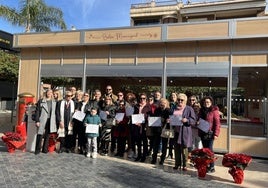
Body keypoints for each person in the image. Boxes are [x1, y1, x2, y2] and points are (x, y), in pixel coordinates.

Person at [172, 93, 196, 171]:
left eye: (182, 100)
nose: (180, 101)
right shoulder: (175, 108)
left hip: (184, 132)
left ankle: (184, 165)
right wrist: (170, 120)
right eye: (178, 100)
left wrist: (187, 120)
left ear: (185, 101)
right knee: (176, 149)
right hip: (176, 131)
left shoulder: (189, 109)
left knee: (184, 149)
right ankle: (177, 164)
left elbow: (193, 120)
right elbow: (172, 118)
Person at [199, 96, 221, 173]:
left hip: (210, 133)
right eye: (205, 102)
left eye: (208, 102)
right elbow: (199, 120)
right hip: (203, 133)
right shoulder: (201, 110)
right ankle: (206, 164)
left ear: (211, 103)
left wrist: (216, 134)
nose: (206, 103)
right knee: (205, 150)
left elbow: (217, 123)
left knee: (210, 150)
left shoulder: (214, 111)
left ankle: (212, 166)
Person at [34, 89, 57, 154]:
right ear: (46, 93)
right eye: (48, 92)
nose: (49, 93)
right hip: (42, 119)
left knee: (47, 135)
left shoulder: (54, 102)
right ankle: (37, 149)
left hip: (50, 120)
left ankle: (45, 149)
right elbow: (37, 111)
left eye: (51, 92)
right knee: (40, 134)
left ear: (52, 94)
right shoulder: (41, 101)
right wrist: (37, 120)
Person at [150, 98, 171, 165]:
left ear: (167, 104)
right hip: (157, 130)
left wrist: (165, 120)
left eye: (164, 103)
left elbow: (170, 120)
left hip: (165, 130)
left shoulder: (169, 111)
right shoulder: (157, 110)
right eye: (161, 103)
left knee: (164, 146)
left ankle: (162, 159)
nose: (162, 104)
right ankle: (154, 159)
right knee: (155, 145)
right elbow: (154, 118)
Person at [132, 93, 150, 162]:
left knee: (145, 142)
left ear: (146, 99)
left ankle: (144, 156)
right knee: (138, 142)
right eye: (141, 98)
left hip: (144, 127)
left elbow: (148, 116)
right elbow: (134, 115)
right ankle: (139, 155)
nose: (142, 100)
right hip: (137, 127)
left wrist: (143, 122)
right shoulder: (136, 106)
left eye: (144, 98)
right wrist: (135, 122)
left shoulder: (148, 107)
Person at [167, 92, 178, 159]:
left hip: (176, 124)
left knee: (175, 140)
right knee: (170, 139)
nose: (173, 96)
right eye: (171, 95)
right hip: (169, 123)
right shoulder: (168, 104)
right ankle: (170, 153)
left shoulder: (178, 104)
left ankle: (175, 154)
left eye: (174, 95)